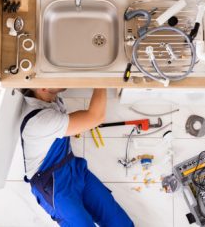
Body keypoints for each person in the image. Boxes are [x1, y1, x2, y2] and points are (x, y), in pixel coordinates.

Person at [20, 88, 134, 227]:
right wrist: (101, 81)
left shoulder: (50, 97)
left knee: (120, 223)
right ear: (43, 88)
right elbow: (95, 117)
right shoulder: (39, 120)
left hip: (74, 168)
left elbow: (84, 118)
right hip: (52, 185)